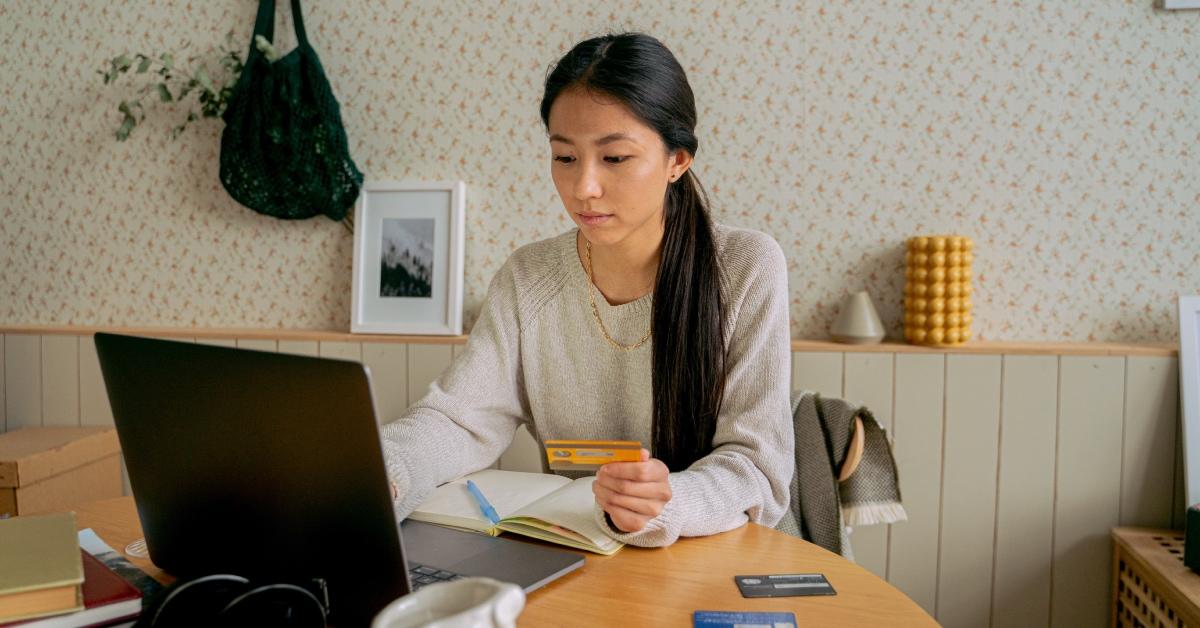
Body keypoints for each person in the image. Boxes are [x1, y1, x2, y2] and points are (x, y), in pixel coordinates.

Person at [381, 32, 792, 547]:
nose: (583, 188)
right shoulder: (528, 276)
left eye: (614, 158)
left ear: (677, 160)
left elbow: (756, 466)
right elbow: (460, 421)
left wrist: (665, 503)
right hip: (582, 557)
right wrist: (383, 470)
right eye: (565, 158)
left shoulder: (746, 267)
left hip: (716, 556)